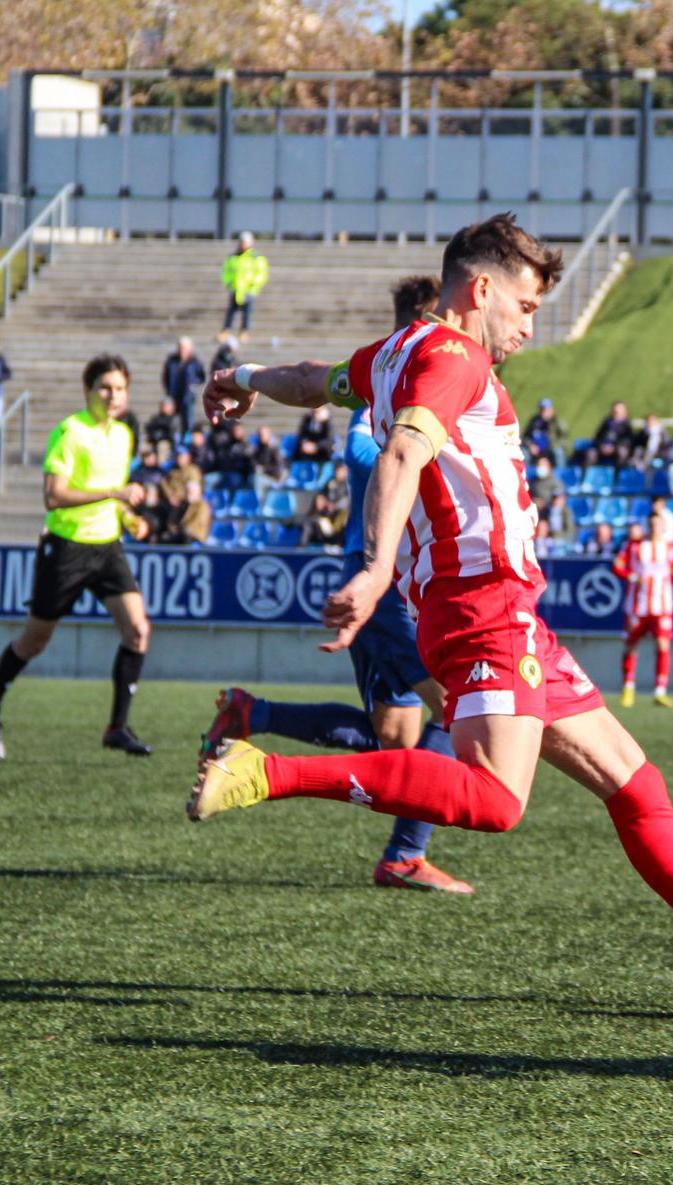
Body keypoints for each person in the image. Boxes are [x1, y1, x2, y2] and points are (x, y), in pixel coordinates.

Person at [190, 214, 673, 1009]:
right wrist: (373, 568)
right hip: (481, 604)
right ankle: (266, 770)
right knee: (497, 798)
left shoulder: (392, 355)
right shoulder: (456, 358)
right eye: (528, 306)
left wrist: (248, 376)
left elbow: (311, 380)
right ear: (483, 288)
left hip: (504, 612)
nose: (532, 326)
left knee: (636, 785)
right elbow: (402, 450)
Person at [202, 273, 476, 895]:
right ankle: (404, 853)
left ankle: (253, 713)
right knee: (462, 716)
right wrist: (415, 445)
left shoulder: (434, 381)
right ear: (427, 320)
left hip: (415, 579)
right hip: (385, 582)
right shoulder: (384, 393)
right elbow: (365, 456)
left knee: (396, 739)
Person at [0, 354, 154, 762]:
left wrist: (129, 517)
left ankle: (117, 728)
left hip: (107, 546)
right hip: (66, 549)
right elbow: (54, 496)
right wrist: (114, 496)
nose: (113, 396)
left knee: (138, 631)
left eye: (120, 388)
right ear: (87, 390)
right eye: (105, 388)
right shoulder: (70, 432)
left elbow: (112, 491)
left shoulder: (123, 435)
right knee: (35, 641)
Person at [614, 514, 673, 708]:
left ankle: (660, 691)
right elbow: (617, 566)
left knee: (663, 645)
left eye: (658, 524)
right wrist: (632, 577)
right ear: (647, 525)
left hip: (662, 607)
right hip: (637, 606)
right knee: (631, 645)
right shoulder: (634, 546)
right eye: (651, 524)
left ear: (663, 526)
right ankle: (628, 688)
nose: (655, 527)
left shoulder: (670, 547)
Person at [222, 231, 269, 339]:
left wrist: (253, 284)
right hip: (236, 288)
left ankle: (244, 331)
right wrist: (229, 283)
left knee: (247, 310)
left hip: (249, 289)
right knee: (231, 310)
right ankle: (226, 330)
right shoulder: (233, 257)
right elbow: (226, 272)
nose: (243, 244)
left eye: (245, 242)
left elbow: (261, 273)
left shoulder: (256, 257)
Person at [162, 338, 207, 439]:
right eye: (181, 348)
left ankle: (187, 439)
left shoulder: (195, 362)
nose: (182, 351)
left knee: (188, 419)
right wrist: (168, 393)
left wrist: (193, 384)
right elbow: (166, 377)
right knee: (173, 421)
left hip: (188, 396)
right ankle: (175, 439)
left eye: (185, 349)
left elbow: (201, 376)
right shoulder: (172, 361)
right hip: (174, 395)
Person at [525, 397, 560, 465]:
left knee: (558, 452)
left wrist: (550, 447)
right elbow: (525, 437)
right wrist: (530, 446)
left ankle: (561, 473)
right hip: (535, 449)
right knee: (524, 453)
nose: (544, 413)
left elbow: (563, 440)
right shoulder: (534, 421)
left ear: (552, 410)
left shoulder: (557, 423)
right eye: (542, 410)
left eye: (546, 410)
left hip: (550, 449)